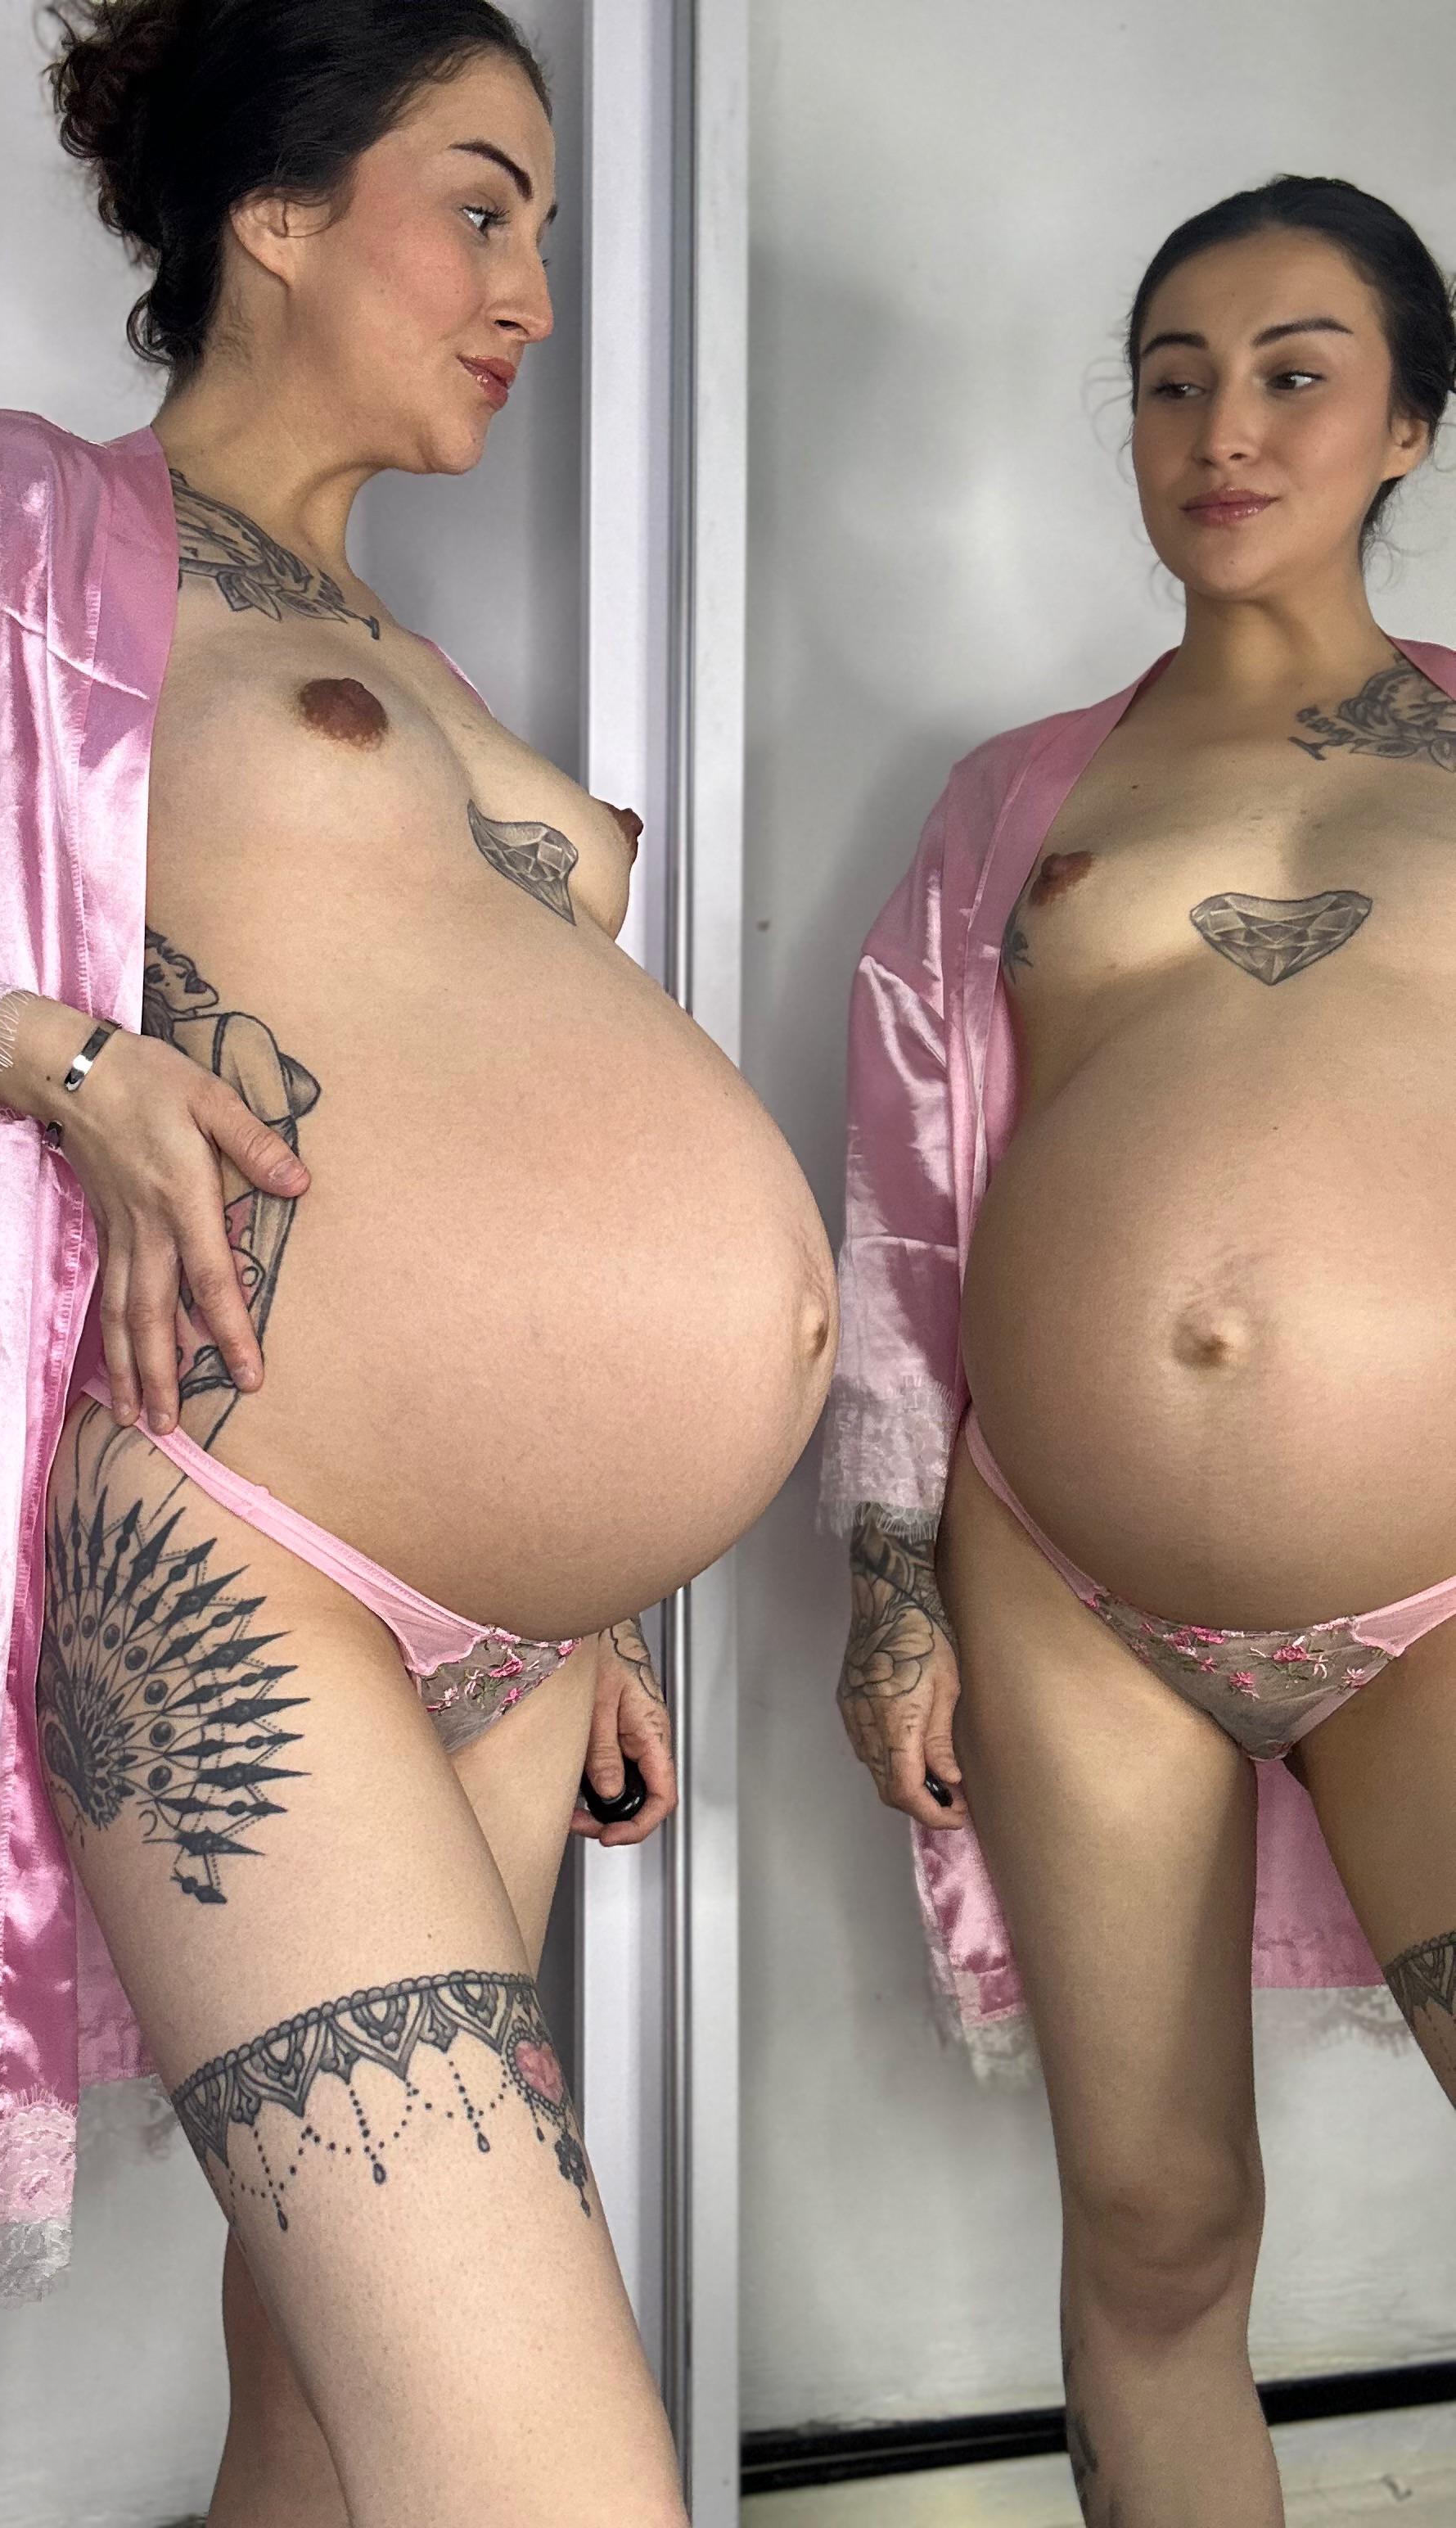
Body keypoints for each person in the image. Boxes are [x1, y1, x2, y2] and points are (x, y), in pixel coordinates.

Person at [0, 4, 835, 2522]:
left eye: (544, 233)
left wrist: (596, 1565)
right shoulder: (2, 515)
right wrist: (56, 1060)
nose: (531, 294)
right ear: (270, 213)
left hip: (514, 1635)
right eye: (479, 208)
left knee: (329, 2434)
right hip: (235, 1557)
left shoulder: (427, 667)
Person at [823, 175, 1456, 2526]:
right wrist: (887, 1574)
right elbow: (902, 1200)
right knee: (1159, 2222)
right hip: (1063, 1583)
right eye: (1172, 379)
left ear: (1410, 422)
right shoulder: (1022, 797)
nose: (1222, 428)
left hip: (1436, 1575)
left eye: (1294, 372)